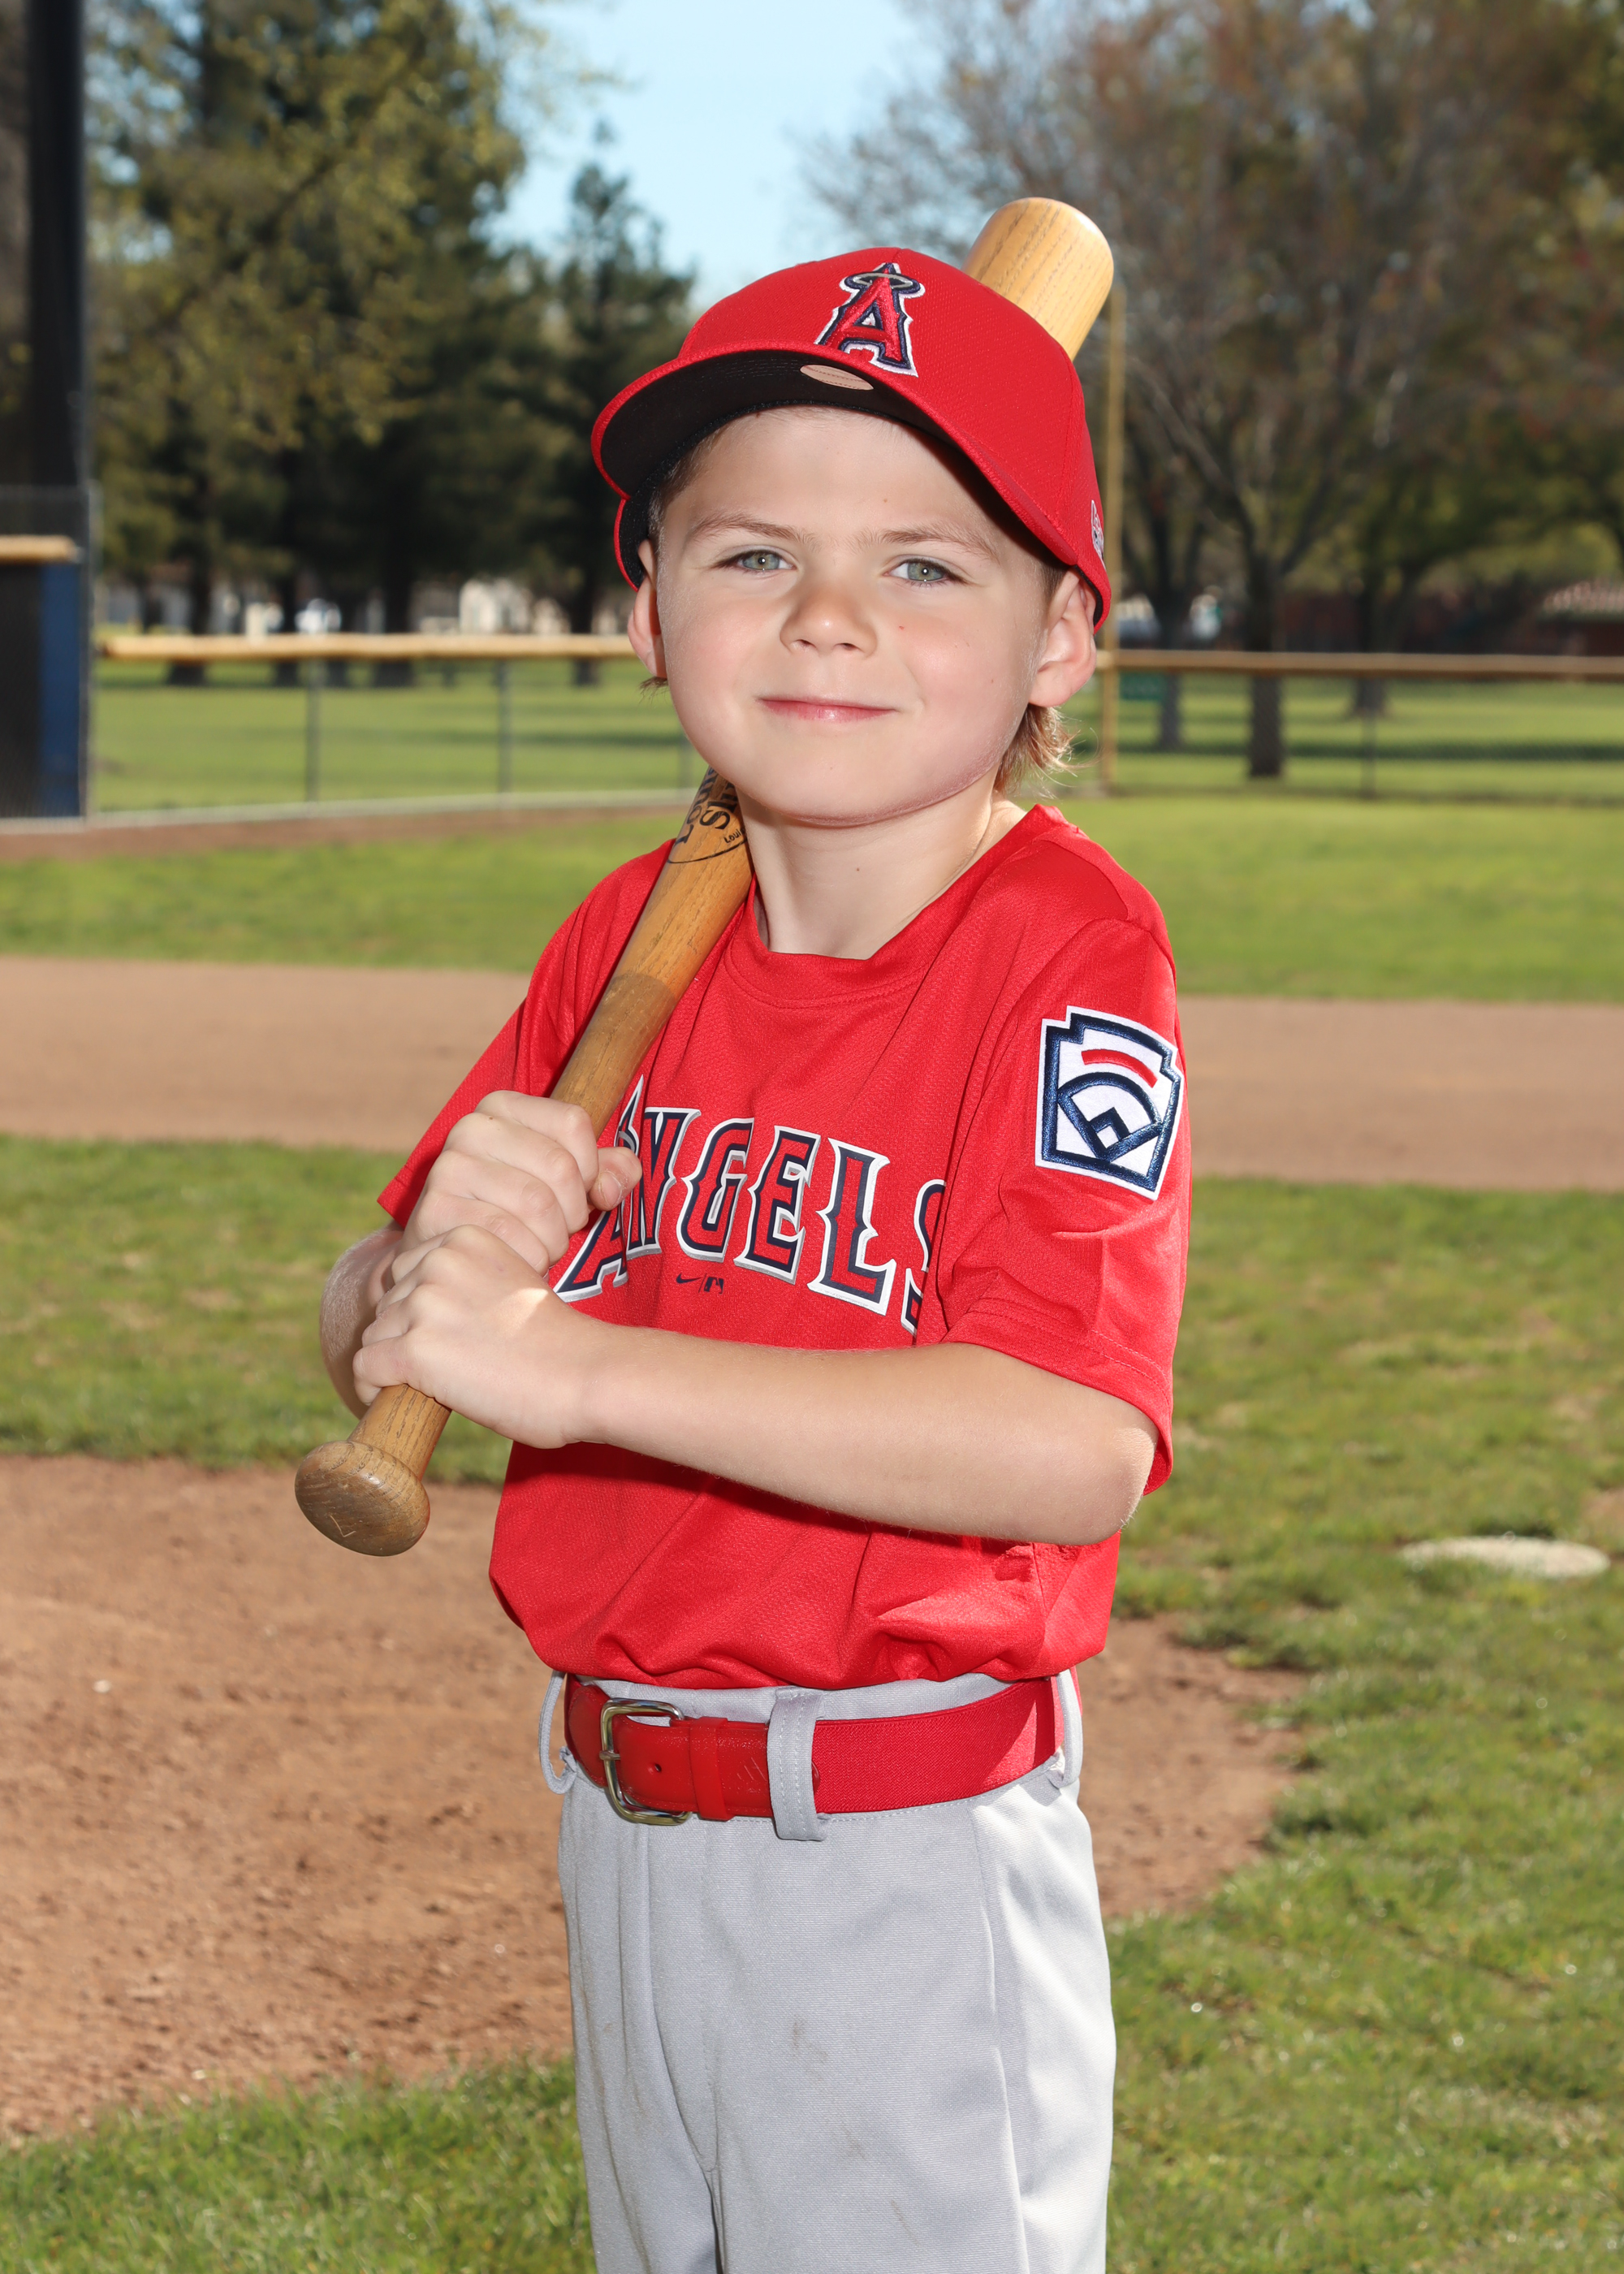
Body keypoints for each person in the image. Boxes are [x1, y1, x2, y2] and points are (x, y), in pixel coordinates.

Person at [318, 244, 1190, 2274]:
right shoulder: (628, 934)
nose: (826, 615)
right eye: (753, 554)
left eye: (924, 564)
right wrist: (406, 1286)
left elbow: (1069, 1441)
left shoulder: (1063, 953)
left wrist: (569, 1367)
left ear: (1062, 639)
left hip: (892, 1857)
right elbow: (395, 1314)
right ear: (648, 608)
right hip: (624, 1828)